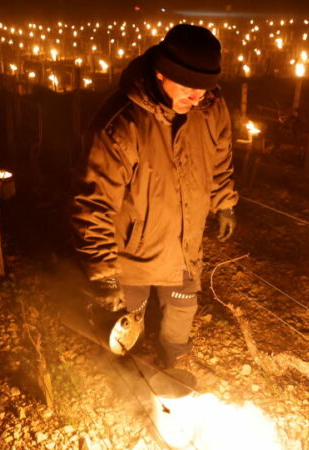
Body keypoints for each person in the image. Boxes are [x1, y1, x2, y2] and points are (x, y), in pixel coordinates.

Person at [71, 24, 238, 369]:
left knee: (182, 305)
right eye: (188, 86)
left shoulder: (211, 109)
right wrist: (103, 275)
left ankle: (174, 357)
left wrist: (224, 202)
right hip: (133, 251)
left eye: (205, 88)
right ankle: (131, 369)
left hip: (186, 242)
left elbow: (219, 158)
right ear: (161, 74)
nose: (197, 97)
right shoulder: (121, 125)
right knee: (130, 317)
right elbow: (93, 205)